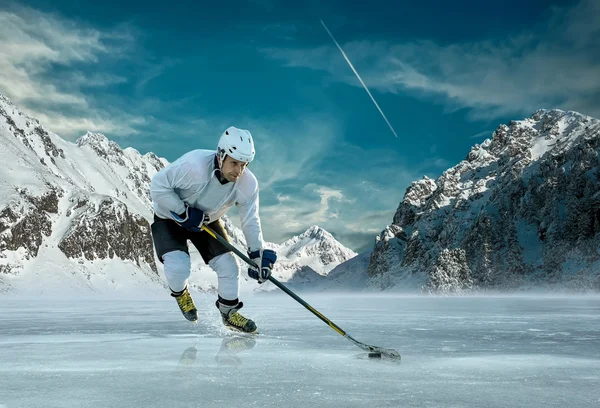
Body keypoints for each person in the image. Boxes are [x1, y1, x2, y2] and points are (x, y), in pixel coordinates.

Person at [149, 126, 277, 333]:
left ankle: (229, 313)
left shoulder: (248, 184)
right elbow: (157, 186)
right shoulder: (193, 165)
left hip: (206, 222)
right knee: (178, 266)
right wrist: (182, 211)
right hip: (169, 217)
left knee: (229, 266)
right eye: (234, 163)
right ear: (220, 155)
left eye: (244, 165)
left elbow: (251, 220)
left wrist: (257, 255)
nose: (239, 171)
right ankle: (181, 294)